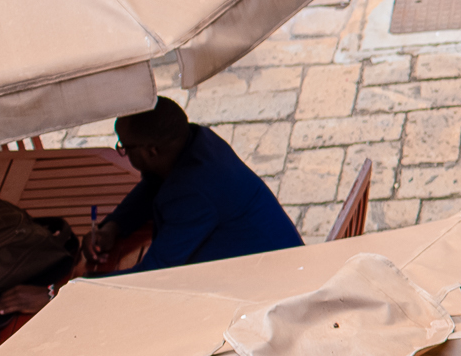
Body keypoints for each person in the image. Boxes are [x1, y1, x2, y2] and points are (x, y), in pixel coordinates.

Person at [89, 99, 303, 272]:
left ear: (151, 151)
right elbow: (153, 184)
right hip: (278, 259)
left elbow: (155, 273)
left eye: (124, 147)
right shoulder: (198, 141)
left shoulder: (193, 194)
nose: (123, 152)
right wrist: (113, 227)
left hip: (275, 283)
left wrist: (81, 286)